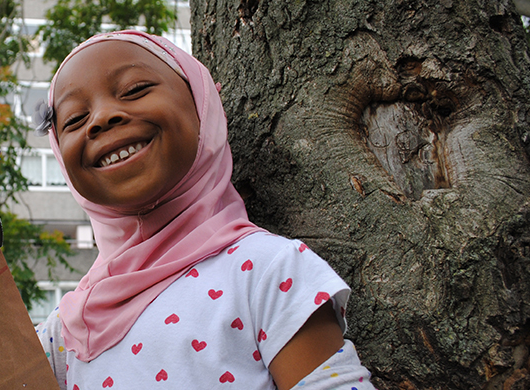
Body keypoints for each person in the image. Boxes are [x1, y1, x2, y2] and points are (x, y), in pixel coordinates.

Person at [33, 30, 375, 389]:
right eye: (74, 119)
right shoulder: (71, 328)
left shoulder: (268, 270)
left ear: (202, 104)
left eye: (135, 90)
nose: (102, 117)